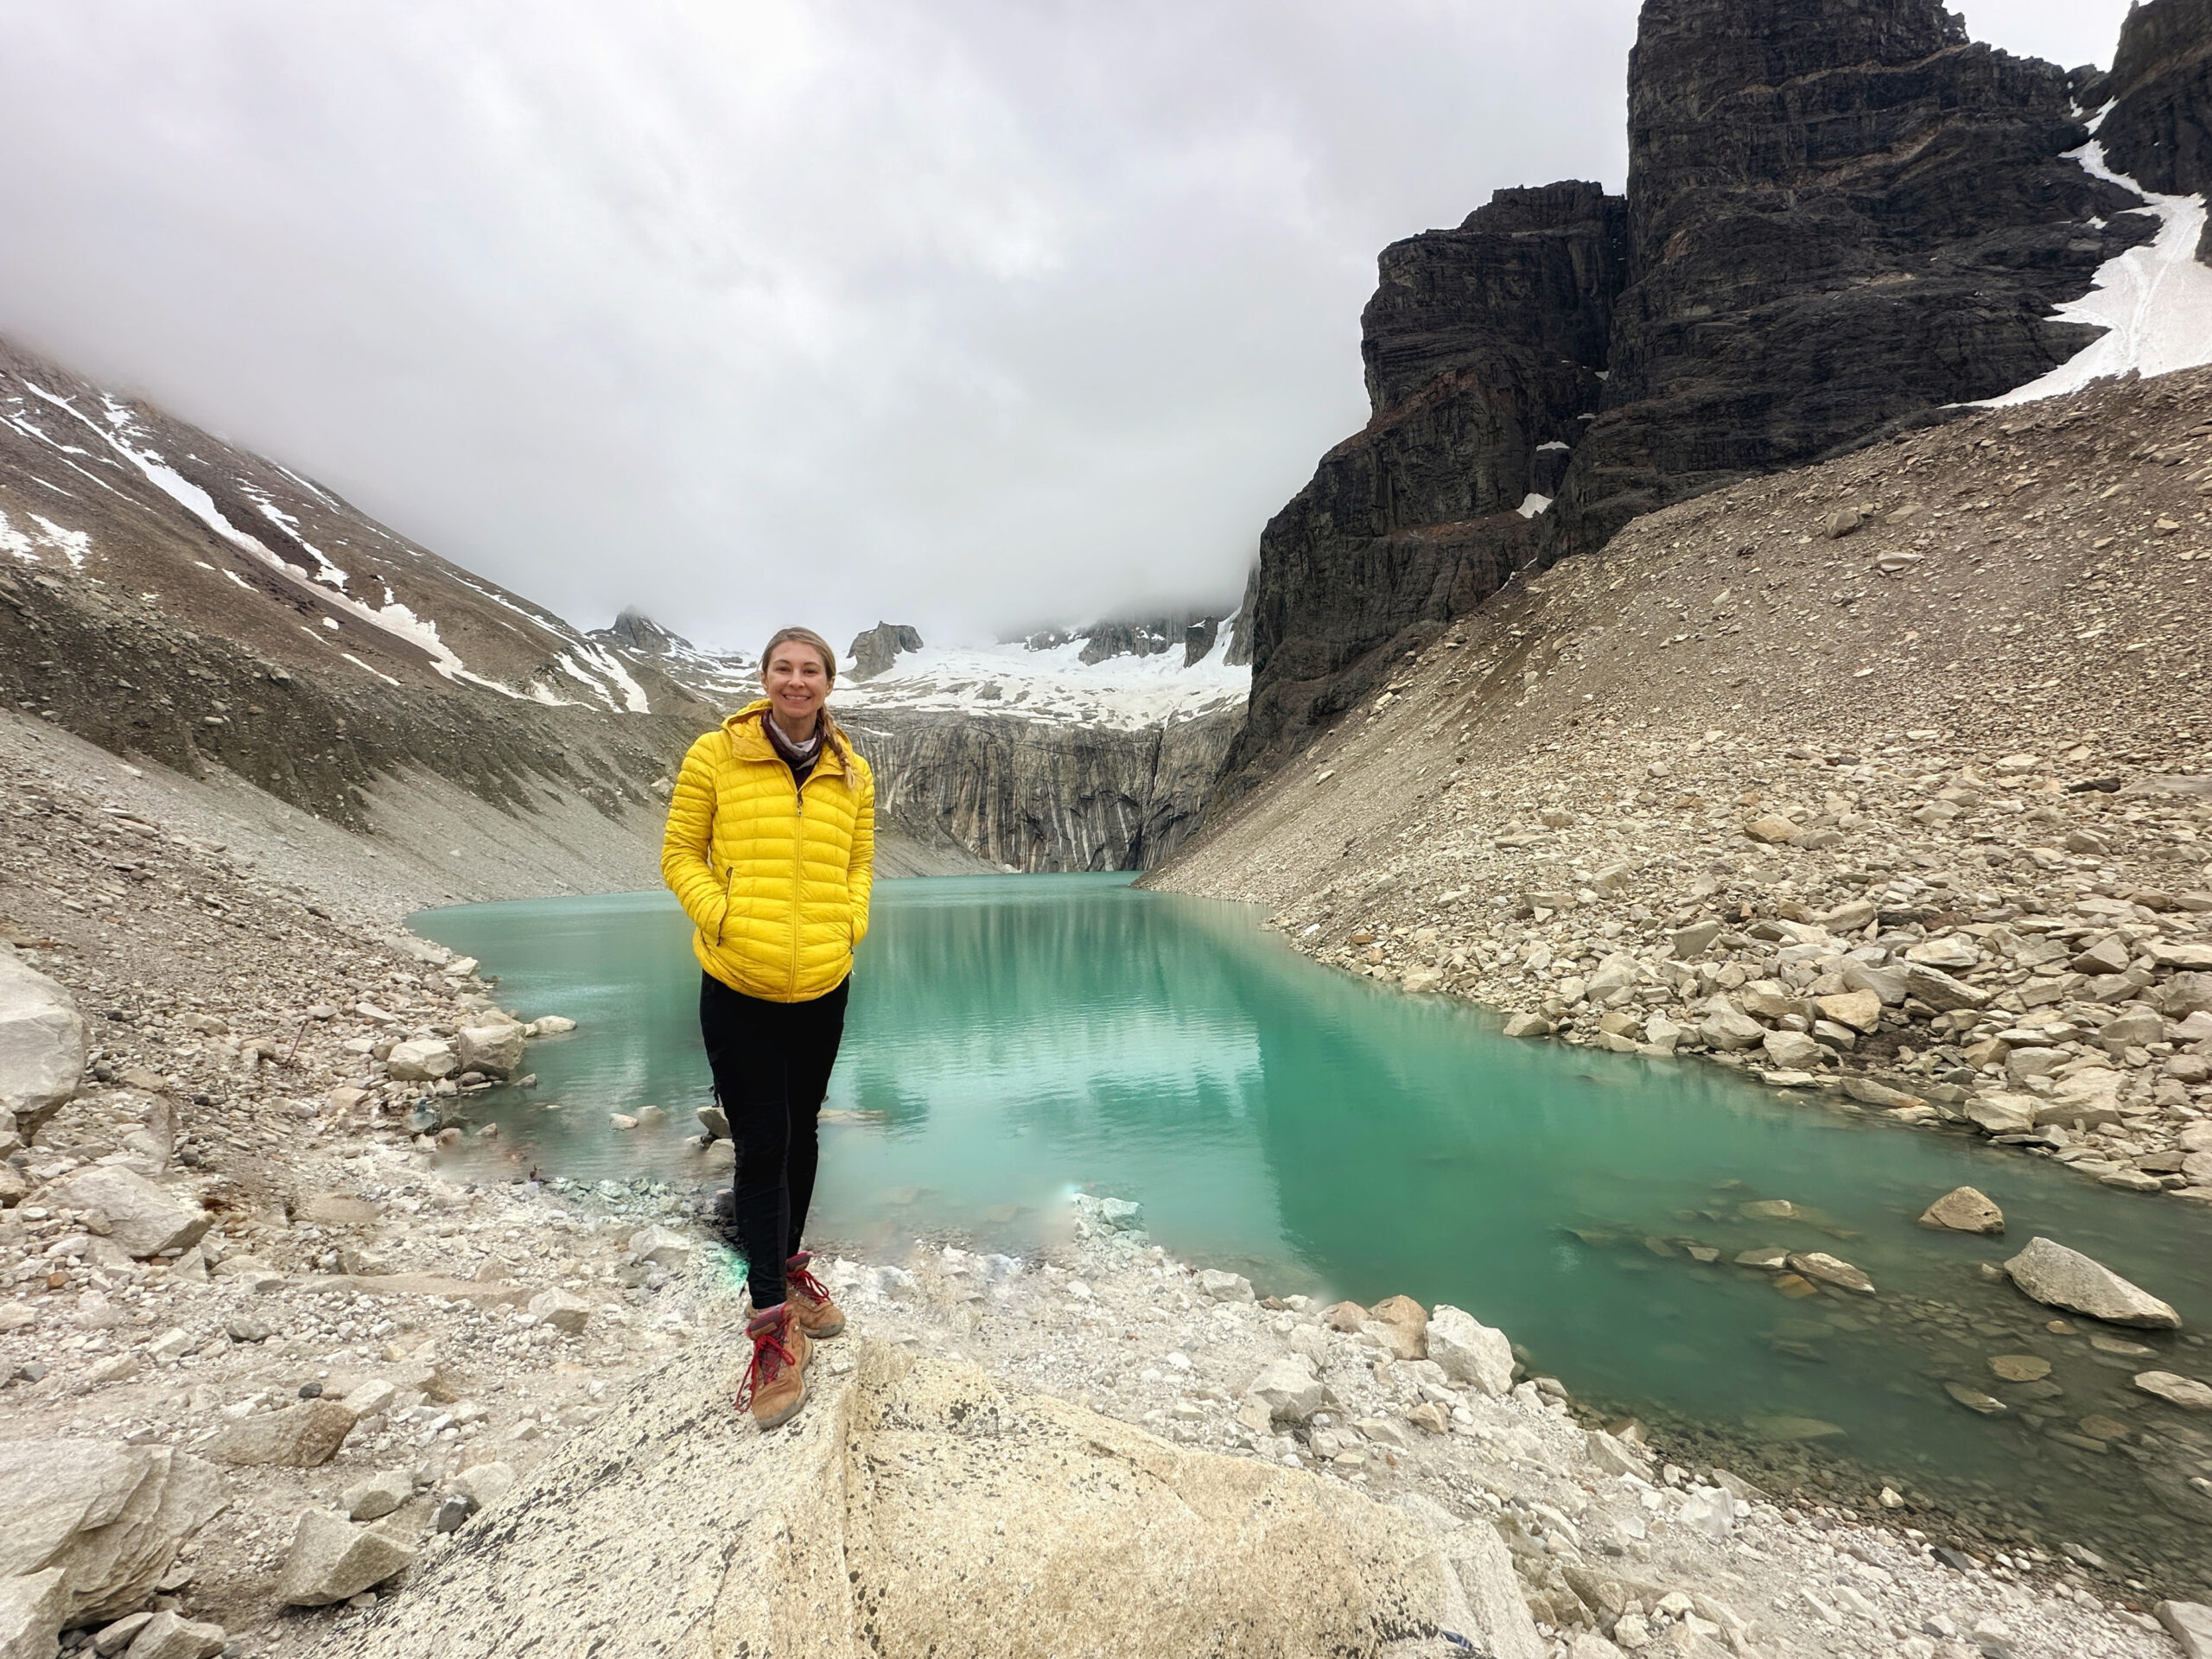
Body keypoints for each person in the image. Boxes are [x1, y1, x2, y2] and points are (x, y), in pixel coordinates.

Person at [661, 626, 875, 1429]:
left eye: (810, 671)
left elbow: (859, 860)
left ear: (828, 683)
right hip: (739, 983)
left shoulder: (854, 771)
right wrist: (723, 916)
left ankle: (787, 1267)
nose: (797, 681)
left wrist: (850, 923)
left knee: (807, 1129)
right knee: (762, 1142)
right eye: (784, 669)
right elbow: (680, 852)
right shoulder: (715, 755)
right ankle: (770, 1330)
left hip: (823, 981)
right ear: (764, 678)